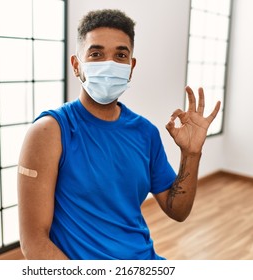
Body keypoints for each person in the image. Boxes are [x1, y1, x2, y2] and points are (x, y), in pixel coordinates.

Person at [17, 9, 220, 260]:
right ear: (76, 65)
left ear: (131, 66)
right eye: (96, 54)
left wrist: (191, 154)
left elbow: (177, 210)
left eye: (120, 55)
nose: (109, 64)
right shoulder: (49, 131)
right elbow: (33, 242)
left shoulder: (145, 133)